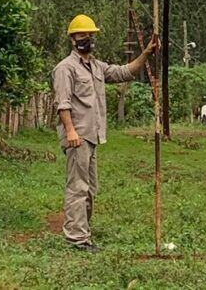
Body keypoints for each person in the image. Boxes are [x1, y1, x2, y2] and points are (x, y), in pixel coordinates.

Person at [52, 14, 156, 253]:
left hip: (92, 135)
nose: (87, 38)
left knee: (90, 188)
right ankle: (76, 239)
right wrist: (70, 131)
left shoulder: (97, 67)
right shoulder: (65, 69)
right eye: (82, 35)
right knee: (77, 186)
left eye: (90, 34)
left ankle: (84, 232)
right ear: (72, 39)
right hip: (77, 136)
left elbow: (123, 72)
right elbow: (63, 104)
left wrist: (146, 53)